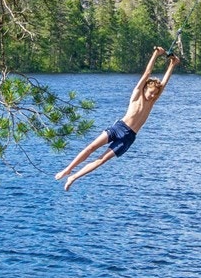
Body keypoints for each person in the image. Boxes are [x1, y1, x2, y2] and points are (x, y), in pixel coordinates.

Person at [57, 47, 179, 191]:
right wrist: (155, 54)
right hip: (119, 127)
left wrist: (172, 64)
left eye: (155, 94)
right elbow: (147, 73)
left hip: (128, 137)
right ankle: (68, 169)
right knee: (91, 147)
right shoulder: (136, 94)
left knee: (101, 160)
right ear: (145, 88)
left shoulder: (151, 102)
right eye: (151, 92)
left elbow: (163, 83)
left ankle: (73, 177)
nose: (153, 96)